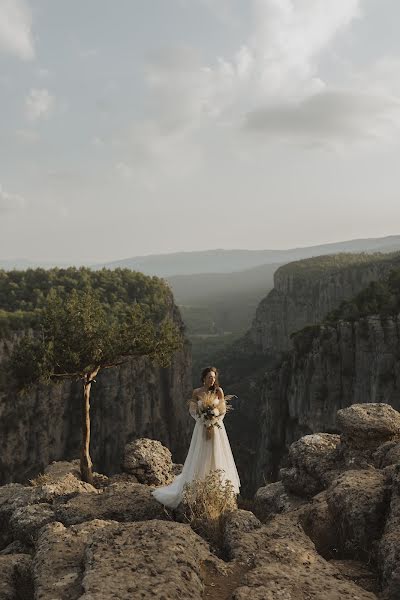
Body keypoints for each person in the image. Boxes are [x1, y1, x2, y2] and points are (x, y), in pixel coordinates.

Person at [151, 366, 241, 509]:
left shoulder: (219, 391)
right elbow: (192, 410)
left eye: (214, 377)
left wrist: (214, 419)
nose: (212, 380)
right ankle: (198, 484)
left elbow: (223, 409)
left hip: (217, 428)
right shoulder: (197, 392)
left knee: (216, 453)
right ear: (204, 378)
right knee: (201, 452)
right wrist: (203, 420)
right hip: (201, 427)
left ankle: (217, 486)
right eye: (209, 377)